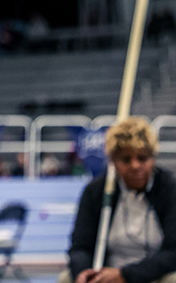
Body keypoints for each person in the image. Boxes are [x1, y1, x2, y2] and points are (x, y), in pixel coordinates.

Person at [61, 118, 176, 283]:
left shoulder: (169, 189)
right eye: (126, 159)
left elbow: (173, 252)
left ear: (153, 158)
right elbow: (80, 246)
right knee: (66, 279)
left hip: (153, 274)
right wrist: (83, 272)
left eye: (142, 158)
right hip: (107, 274)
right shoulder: (96, 191)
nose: (135, 166)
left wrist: (125, 275)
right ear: (113, 161)